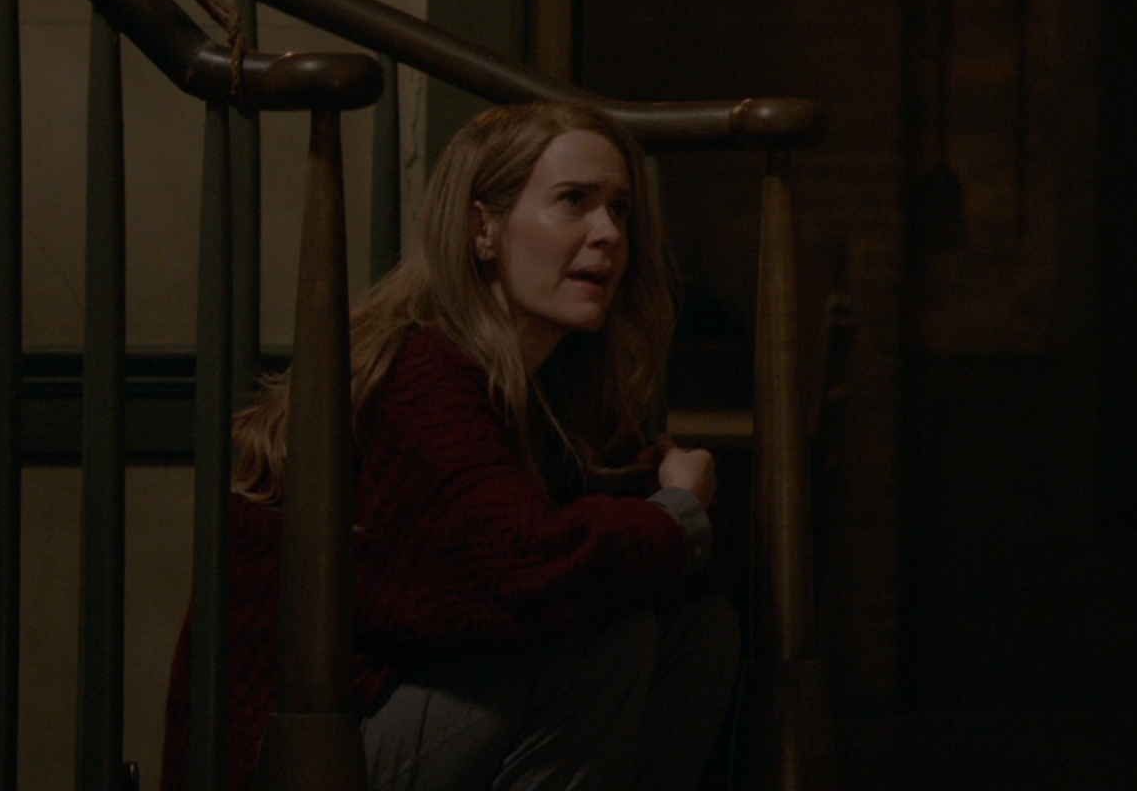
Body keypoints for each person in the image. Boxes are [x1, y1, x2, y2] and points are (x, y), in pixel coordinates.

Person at [162, 101, 739, 791]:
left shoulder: (553, 388)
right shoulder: (422, 372)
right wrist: (675, 511)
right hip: (288, 758)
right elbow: (524, 573)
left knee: (699, 630)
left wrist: (669, 513)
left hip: (396, 718)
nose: (609, 233)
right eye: (573, 202)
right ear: (482, 229)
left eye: (619, 208)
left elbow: (659, 563)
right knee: (601, 642)